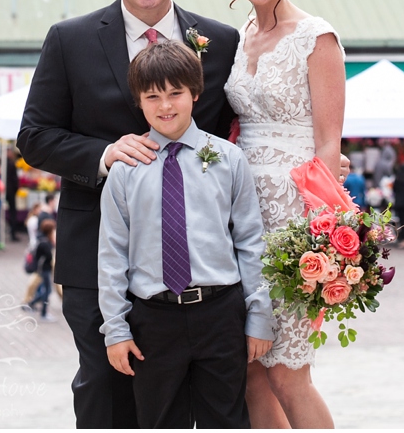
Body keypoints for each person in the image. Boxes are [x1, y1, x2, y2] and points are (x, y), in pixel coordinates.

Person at [17, 0, 350, 429]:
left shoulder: (220, 42)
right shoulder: (69, 39)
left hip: (205, 267)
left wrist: (319, 161)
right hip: (97, 251)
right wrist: (107, 155)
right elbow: (34, 137)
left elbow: (241, 125)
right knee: (106, 388)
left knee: (231, 390)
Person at [100, 41, 274, 428]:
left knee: (226, 420)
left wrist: (259, 315)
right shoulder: (126, 170)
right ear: (138, 103)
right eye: (153, 96)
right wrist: (115, 329)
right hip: (153, 320)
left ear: (195, 93)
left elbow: (250, 241)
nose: (165, 106)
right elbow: (112, 254)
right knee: (160, 421)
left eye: (176, 93)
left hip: (220, 313)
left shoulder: (228, 159)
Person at [224, 0, 345, 430]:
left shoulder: (317, 38)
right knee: (251, 369)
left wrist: (323, 238)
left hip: (292, 218)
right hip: (236, 214)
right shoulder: (238, 36)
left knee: (289, 373)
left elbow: (327, 145)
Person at [28, 218, 57, 321]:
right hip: (44, 269)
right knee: (47, 290)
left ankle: (32, 303)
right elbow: (49, 256)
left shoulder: (41, 239)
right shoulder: (45, 243)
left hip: (42, 269)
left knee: (44, 289)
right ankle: (43, 312)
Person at [5, 148, 20, 241]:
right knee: (12, 212)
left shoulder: (4, 164)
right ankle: (13, 233)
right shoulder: (11, 164)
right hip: (10, 191)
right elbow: (15, 179)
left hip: (7, 190)